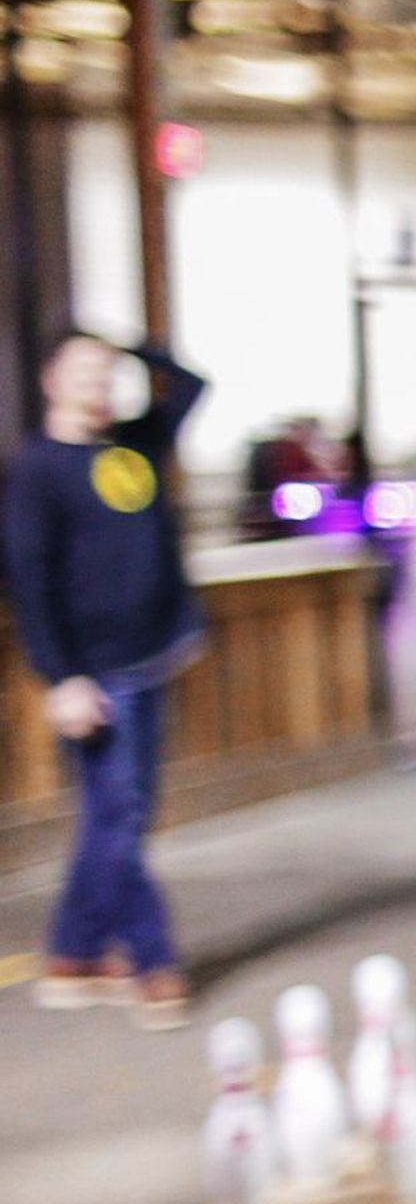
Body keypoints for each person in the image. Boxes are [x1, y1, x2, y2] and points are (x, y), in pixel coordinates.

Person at [3, 331, 210, 1029]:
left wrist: (134, 348)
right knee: (118, 818)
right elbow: (30, 583)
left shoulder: (134, 445)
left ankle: (73, 954)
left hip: (152, 657)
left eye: (105, 373)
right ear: (49, 382)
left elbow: (191, 386)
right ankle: (153, 964)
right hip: (94, 673)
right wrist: (62, 679)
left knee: (117, 816)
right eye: (81, 372)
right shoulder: (37, 469)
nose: (97, 385)